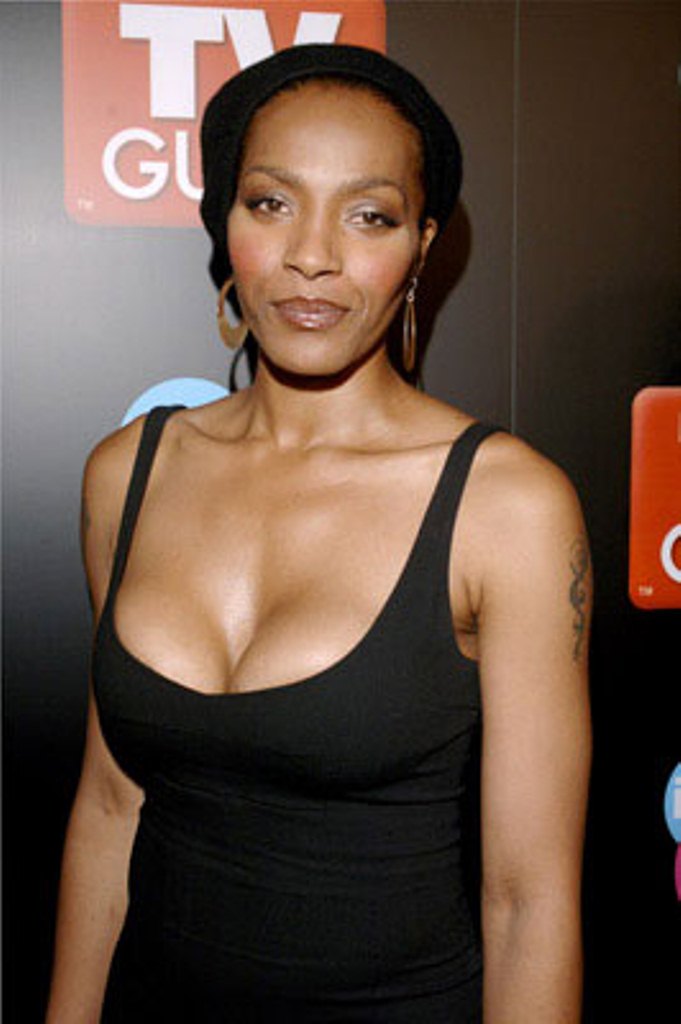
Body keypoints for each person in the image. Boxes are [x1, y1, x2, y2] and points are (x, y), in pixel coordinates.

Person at [46, 44, 592, 1024]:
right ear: (224, 222)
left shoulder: (505, 505)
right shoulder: (127, 472)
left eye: (369, 215)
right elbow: (109, 806)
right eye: (271, 203)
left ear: (421, 247)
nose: (313, 254)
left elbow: (528, 904)